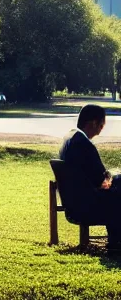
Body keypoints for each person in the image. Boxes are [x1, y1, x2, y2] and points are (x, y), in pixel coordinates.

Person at [59, 104, 121, 250]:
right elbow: (100, 179)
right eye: (101, 125)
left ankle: (116, 240)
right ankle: (116, 242)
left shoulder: (70, 138)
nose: (100, 130)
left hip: (75, 201)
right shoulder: (83, 144)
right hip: (85, 206)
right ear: (93, 123)